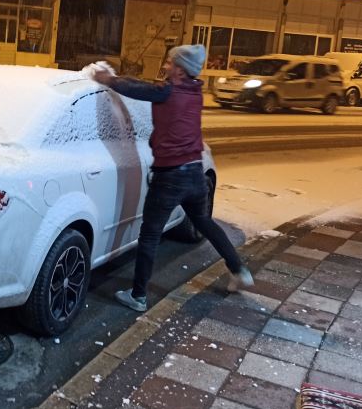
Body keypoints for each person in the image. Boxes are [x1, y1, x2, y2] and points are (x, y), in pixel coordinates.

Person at [92, 44, 254, 313]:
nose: (166, 66)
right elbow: (144, 85)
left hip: (171, 176)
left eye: (169, 63)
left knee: (150, 235)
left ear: (180, 70)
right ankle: (239, 270)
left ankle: (139, 295)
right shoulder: (195, 92)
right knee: (204, 222)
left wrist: (105, 79)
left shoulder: (167, 91)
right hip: (195, 172)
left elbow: (136, 89)